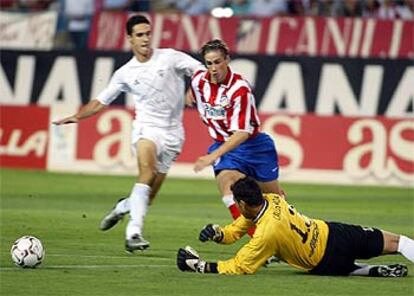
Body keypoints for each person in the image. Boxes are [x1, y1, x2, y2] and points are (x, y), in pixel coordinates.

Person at [53, 14, 203, 252]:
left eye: (148, 33)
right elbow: (101, 101)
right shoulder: (125, 72)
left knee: (149, 197)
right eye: (140, 35)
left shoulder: (170, 57)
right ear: (129, 39)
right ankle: (133, 233)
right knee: (147, 171)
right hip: (146, 129)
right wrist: (78, 116)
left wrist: (193, 89)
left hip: (174, 134)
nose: (145, 39)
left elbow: (200, 69)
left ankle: (123, 206)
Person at [177, 176, 414, 276]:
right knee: (397, 242)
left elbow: (239, 267)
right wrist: (218, 234)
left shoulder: (266, 234)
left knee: (338, 267)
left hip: (321, 262)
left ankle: (367, 271)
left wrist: (198, 265)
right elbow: (237, 229)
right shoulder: (272, 199)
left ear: (241, 203)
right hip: (335, 232)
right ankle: (372, 269)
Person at [189, 39, 284, 234]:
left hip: (254, 147)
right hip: (225, 147)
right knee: (229, 189)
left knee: (274, 201)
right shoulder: (198, 81)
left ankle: (292, 235)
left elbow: (242, 132)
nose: (213, 68)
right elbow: (193, 85)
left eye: (218, 62)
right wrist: (187, 95)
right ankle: (258, 241)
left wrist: (212, 156)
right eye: (209, 63)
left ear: (227, 60)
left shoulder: (240, 89)